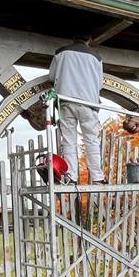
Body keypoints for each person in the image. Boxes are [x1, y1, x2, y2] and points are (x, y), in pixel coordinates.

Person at [48, 35, 107, 183]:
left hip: (67, 101)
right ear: (89, 39)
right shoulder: (96, 58)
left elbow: (52, 76)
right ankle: (97, 177)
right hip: (89, 104)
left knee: (69, 141)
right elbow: (100, 84)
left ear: (73, 38)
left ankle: (71, 176)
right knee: (91, 141)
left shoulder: (61, 52)